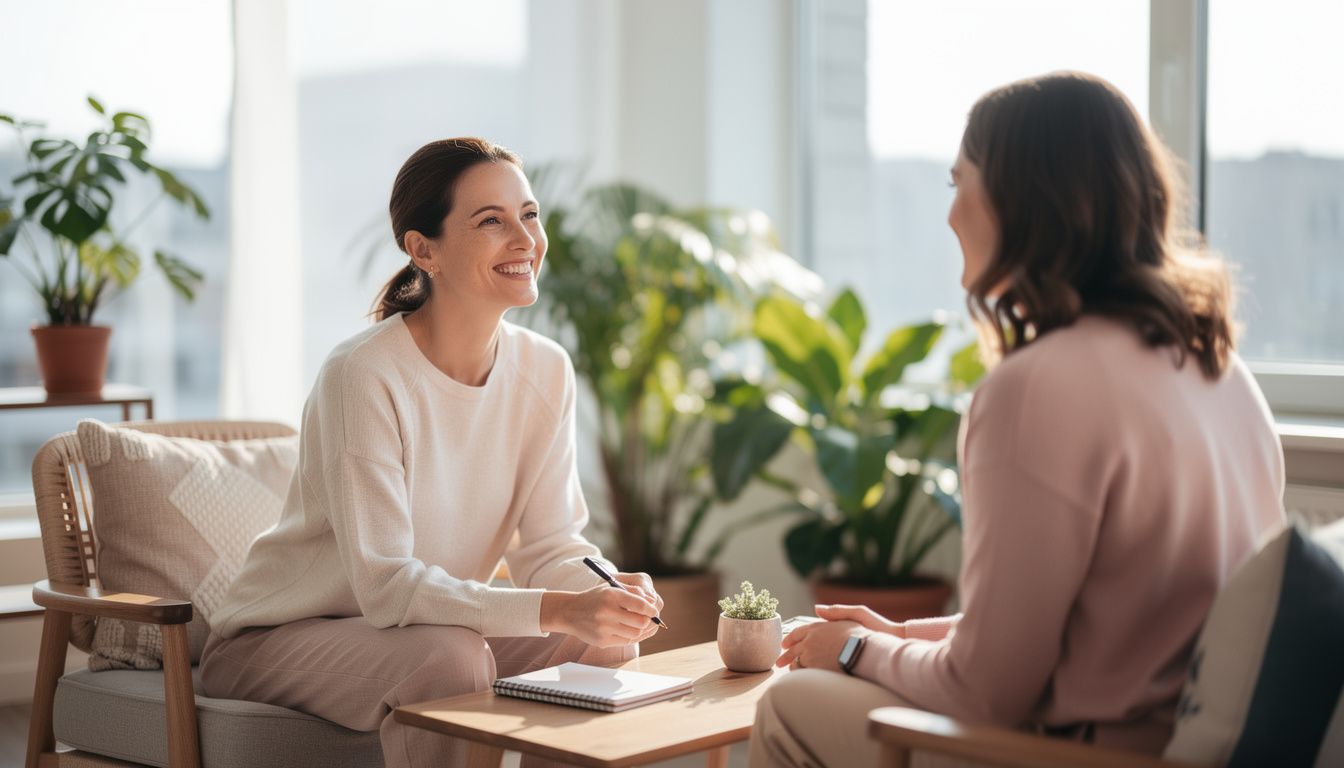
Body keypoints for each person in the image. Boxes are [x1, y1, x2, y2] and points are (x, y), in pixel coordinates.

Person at [750, 71, 1286, 767]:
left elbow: (985, 694)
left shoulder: (1035, 389)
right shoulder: (1218, 369)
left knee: (790, 706)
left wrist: (854, 649)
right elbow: (1089, 625)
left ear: (1021, 197)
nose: (949, 215)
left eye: (957, 183)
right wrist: (902, 636)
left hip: (1082, 755)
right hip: (1181, 745)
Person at [200, 137, 664, 768]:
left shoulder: (546, 371)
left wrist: (605, 590)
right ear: (423, 249)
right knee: (452, 657)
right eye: (491, 221)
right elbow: (387, 587)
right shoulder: (363, 374)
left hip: (420, 629)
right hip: (277, 640)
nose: (525, 239)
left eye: (528, 214)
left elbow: (552, 546)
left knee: (604, 643)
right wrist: (561, 609)